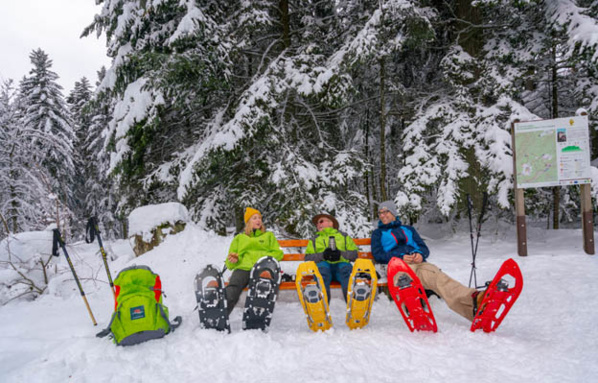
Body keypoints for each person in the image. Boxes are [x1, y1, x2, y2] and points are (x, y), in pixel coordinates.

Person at [371, 201, 483, 321]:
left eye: (385, 212)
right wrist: (400, 256)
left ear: (393, 212)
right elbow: (378, 255)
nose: (382, 215)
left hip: (419, 263)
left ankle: (474, 301)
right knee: (405, 280)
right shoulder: (378, 233)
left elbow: (424, 248)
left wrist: (420, 254)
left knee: (439, 278)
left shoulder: (408, 229)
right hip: (397, 265)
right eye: (380, 213)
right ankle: (414, 310)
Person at [224, 207, 283, 314]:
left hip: (262, 268)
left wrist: (263, 258)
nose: (258, 220)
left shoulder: (268, 236)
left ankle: (257, 313)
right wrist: (234, 259)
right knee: (233, 287)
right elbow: (229, 264)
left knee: (263, 283)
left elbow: (278, 253)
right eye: (254, 218)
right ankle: (221, 313)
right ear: (248, 222)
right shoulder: (239, 238)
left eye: (259, 218)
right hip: (243, 268)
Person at [304, 213, 358, 302]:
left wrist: (340, 254)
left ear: (331, 223)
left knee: (346, 270)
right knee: (321, 271)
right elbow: (308, 258)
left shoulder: (343, 236)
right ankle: (322, 306)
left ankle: (353, 304)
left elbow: (354, 255)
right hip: (324, 267)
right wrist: (323, 255)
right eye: (317, 223)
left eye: (321, 221)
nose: (318, 224)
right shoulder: (315, 239)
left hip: (341, 266)